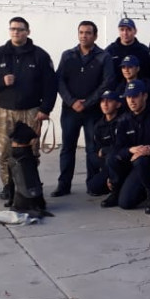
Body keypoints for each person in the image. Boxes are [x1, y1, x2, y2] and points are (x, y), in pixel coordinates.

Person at [0, 16, 57, 198]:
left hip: (31, 111)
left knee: (31, 151)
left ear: (28, 32)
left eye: (20, 29)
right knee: (5, 151)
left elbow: (51, 85)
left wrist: (45, 109)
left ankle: (28, 184)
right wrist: (1, 81)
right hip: (4, 111)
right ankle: (8, 186)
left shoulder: (40, 55)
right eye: (13, 29)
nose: (16, 32)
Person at [53, 20, 115, 196]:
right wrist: (72, 101)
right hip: (70, 110)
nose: (83, 36)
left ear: (95, 36)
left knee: (92, 149)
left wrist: (87, 103)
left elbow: (107, 82)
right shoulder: (68, 55)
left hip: (93, 111)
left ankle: (92, 185)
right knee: (67, 148)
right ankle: (63, 185)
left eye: (88, 33)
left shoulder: (104, 57)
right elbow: (59, 80)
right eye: (81, 32)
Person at [102, 80, 150, 212]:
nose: (131, 101)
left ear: (144, 96)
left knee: (141, 160)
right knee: (111, 158)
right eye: (128, 97)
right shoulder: (123, 120)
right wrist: (130, 150)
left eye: (135, 96)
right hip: (132, 163)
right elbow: (117, 148)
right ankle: (116, 191)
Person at [86, 89, 122, 197]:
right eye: (102, 101)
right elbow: (97, 149)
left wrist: (105, 150)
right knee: (90, 155)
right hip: (106, 161)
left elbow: (122, 146)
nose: (105, 104)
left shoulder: (123, 121)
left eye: (109, 101)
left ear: (118, 104)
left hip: (119, 161)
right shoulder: (98, 125)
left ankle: (115, 184)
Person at [106, 17, 150, 84]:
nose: (125, 33)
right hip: (115, 91)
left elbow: (149, 74)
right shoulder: (110, 51)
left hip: (137, 92)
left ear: (135, 31)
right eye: (122, 30)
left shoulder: (144, 51)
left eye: (129, 30)